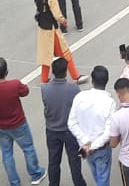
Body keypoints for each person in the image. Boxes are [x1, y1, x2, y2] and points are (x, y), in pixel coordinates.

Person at [0, 57, 47, 185]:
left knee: (7, 153)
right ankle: (35, 173)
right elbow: (25, 91)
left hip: (0, 126)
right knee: (28, 148)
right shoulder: (14, 84)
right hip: (18, 123)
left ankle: (14, 182)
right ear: (6, 71)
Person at [68, 65, 116, 186]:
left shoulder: (80, 97)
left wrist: (85, 142)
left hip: (86, 148)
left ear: (93, 81)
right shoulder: (109, 102)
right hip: (101, 148)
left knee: (96, 175)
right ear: (106, 81)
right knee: (103, 178)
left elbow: (71, 123)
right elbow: (109, 131)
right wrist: (93, 146)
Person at [42, 58, 87, 186]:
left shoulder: (45, 88)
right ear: (65, 72)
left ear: (53, 72)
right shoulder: (73, 88)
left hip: (51, 130)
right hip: (69, 131)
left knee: (54, 162)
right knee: (74, 162)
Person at [36, 0, 83, 83]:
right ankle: (76, 76)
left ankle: (44, 79)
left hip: (43, 29)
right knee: (66, 52)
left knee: (46, 56)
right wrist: (63, 21)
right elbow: (57, 14)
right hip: (52, 30)